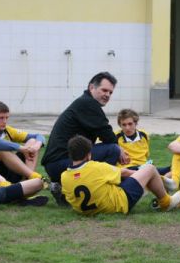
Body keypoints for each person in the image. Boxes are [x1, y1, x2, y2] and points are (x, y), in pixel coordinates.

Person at [41, 72, 129, 204]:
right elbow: (107, 134)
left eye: (110, 92)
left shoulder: (84, 102)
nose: (107, 95)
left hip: (57, 164)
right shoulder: (87, 104)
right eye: (104, 90)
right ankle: (101, 191)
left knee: (111, 149)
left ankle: (64, 189)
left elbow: (104, 133)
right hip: (60, 163)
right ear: (91, 87)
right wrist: (119, 149)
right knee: (112, 150)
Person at [61, 135, 180, 216]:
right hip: (119, 204)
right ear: (88, 155)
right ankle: (166, 202)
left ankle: (158, 183)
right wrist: (153, 176)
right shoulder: (95, 167)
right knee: (149, 168)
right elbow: (124, 172)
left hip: (89, 211)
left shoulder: (64, 176)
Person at [0, 100, 45, 182]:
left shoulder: (7, 130)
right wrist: (21, 148)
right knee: (0, 149)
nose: (4, 121)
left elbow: (39, 136)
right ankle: (32, 177)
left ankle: (28, 180)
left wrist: (35, 147)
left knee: (32, 141)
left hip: (11, 169)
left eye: (6, 118)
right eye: (1, 118)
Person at [115, 108, 174, 190]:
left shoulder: (144, 135)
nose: (127, 128)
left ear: (135, 123)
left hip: (144, 167)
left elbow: (146, 155)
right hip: (128, 169)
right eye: (124, 125)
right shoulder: (115, 137)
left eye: (130, 124)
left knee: (174, 168)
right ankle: (160, 180)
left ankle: (157, 180)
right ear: (120, 125)